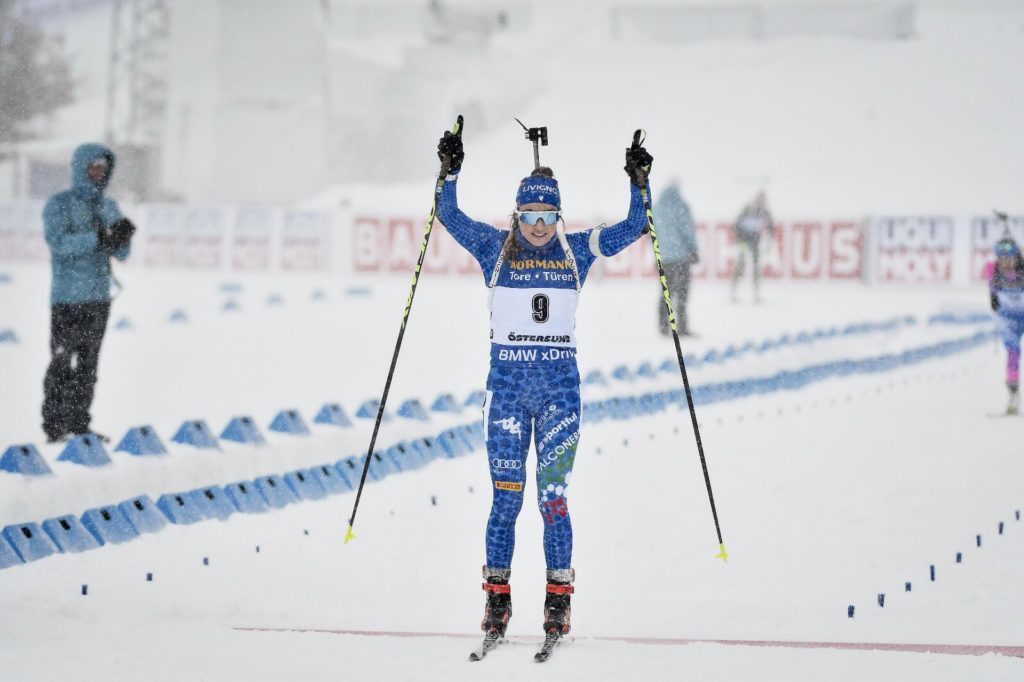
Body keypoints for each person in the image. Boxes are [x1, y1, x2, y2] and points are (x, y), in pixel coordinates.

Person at [436, 126, 652, 643]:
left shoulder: (578, 250)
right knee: (506, 500)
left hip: (559, 395)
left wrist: (638, 182)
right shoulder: (494, 247)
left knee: (552, 499)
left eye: (547, 217)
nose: (538, 226)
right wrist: (450, 171)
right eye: (529, 216)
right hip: (507, 394)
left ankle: (558, 604)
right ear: (517, 215)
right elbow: (448, 215)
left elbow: (636, 227)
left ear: (559, 216)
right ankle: (497, 601)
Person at [41, 143, 135, 443]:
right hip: (67, 298)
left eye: (103, 169)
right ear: (80, 168)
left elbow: (122, 253)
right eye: (93, 167)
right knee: (61, 361)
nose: (98, 173)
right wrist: (97, 237)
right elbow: (59, 245)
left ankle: (80, 424)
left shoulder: (109, 206)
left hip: (98, 298)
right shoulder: (59, 204)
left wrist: (122, 237)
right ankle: (55, 426)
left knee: (88, 365)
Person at [652, 179, 699, 335]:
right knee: (683, 293)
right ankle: (683, 326)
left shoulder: (656, 208)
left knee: (666, 292)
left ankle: (663, 326)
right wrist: (693, 249)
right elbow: (688, 230)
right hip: (681, 258)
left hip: (664, 258)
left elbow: (653, 234)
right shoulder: (681, 207)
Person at [985, 236, 1024, 414]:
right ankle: (1013, 395)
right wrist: (992, 299)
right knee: (1013, 352)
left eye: (1011, 258)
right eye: (1003, 258)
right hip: (1008, 319)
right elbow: (992, 293)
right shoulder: (993, 272)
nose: (1007, 262)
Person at [730, 191, 774, 302]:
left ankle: (756, 293)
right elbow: (737, 223)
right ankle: (734, 292)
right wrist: (739, 237)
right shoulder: (749, 209)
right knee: (741, 265)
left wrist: (770, 239)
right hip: (744, 241)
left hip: (755, 242)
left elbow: (771, 227)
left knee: (756, 267)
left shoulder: (764, 212)